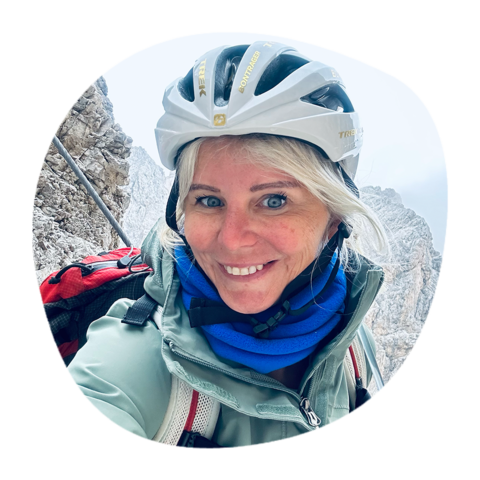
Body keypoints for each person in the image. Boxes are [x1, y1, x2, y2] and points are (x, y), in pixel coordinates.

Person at [66, 41, 387, 447]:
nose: (233, 240)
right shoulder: (131, 359)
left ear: (334, 218)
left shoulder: (352, 346)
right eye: (209, 200)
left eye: (274, 200)